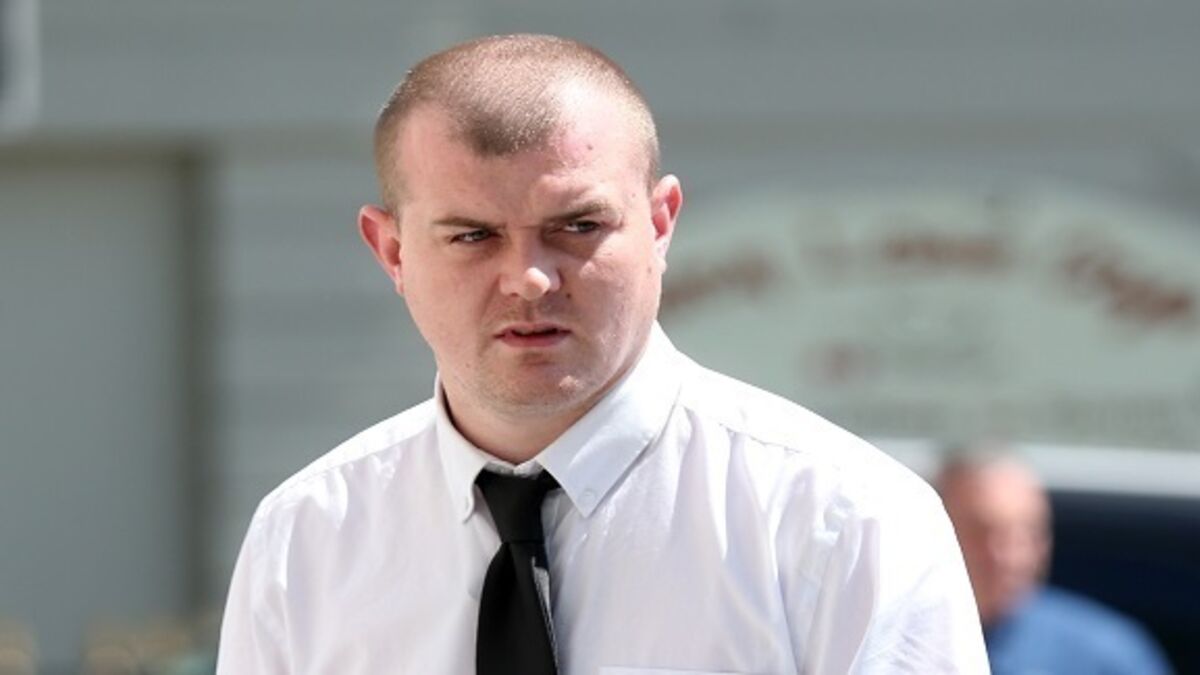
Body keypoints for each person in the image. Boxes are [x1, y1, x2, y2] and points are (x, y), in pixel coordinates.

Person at [216, 34, 988, 674]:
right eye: (473, 235)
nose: (529, 278)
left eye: (578, 226)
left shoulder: (841, 520)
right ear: (391, 251)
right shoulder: (306, 539)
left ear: (660, 223)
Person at [936, 447, 1174, 675]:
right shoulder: (916, 636)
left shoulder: (1108, 655)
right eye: (981, 531)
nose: (1010, 555)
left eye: (1030, 532)